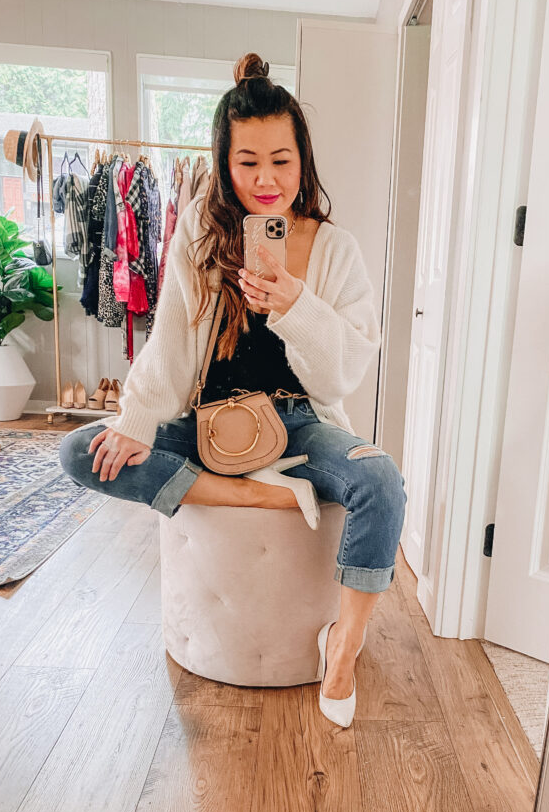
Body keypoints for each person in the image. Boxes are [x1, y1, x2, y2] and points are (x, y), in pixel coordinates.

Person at [59, 52, 407, 727]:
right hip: (201, 421)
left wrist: (295, 303)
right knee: (80, 450)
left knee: (382, 482)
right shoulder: (198, 230)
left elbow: (341, 375)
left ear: (302, 158)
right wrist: (134, 420)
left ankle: (345, 645)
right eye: (248, 162)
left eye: (281, 159)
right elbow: (170, 343)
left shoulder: (336, 251)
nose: (266, 179)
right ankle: (249, 491)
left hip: (300, 424)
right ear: (224, 163)